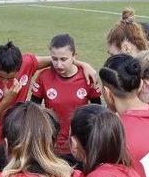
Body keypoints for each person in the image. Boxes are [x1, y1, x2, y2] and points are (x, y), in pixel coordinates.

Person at [0, 40, 98, 177]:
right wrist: (7, 100)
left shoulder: (28, 63)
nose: (5, 81)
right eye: (1, 77)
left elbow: (56, 59)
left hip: (15, 141)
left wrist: (82, 64)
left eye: (10, 78)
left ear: (20, 68)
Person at [31, 34, 101, 164]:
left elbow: (98, 114)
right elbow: (32, 111)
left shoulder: (87, 77)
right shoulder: (43, 77)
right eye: (54, 59)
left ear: (74, 56)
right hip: (51, 148)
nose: (58, 64)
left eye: (63, 59)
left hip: (80, 148)